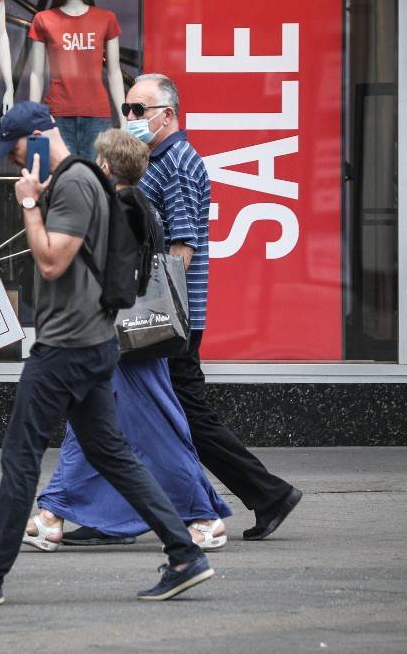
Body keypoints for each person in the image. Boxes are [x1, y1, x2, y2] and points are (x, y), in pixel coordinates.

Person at [0, 102, 213, 607]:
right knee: (111, 454)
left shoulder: (73, 183)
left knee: (20, 457)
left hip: (67, 347)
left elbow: (53, 261)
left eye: (14, 150)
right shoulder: (81, 181)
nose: (14, 162)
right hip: (91, 342)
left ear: (34, 137)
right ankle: (185, 555)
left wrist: (29, 204)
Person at [24, 129, 232, 552]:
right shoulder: (136, 206)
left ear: (104, 166)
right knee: (97, 427)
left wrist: (35, 203)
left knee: (154, 430)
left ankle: (205, 516)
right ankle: (52, 513)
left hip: (124, 341)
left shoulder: (119, 207)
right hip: (131, 338)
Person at [117, 73, 303, 542]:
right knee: (174, 412)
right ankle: (266, 494)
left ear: (168, 114)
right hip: (170, 315)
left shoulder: (176, 162)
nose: (132, 118)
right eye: (127, 110)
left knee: (185, 414)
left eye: (140, 110)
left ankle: (268, 494)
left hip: (172, 319)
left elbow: (183, 246)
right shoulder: (156, 158)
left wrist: (161, 313)